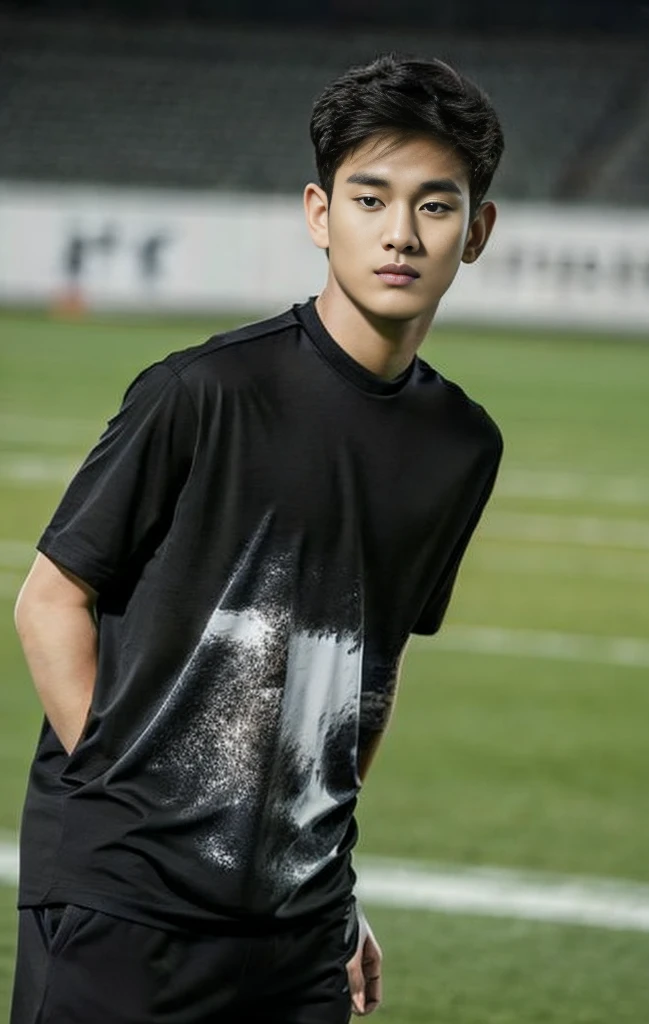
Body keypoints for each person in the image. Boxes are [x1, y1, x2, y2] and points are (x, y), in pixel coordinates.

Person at [10, 52, 504, 1024]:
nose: (398, 233)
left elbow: (372, 664)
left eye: (433, 206)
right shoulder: (201, 393)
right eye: (370, 199)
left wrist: (321, 871)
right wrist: (138, 815)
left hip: (295, 930)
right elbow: (50, 598)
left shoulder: (462, 446)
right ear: (319, 214)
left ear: (475, 230)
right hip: (126, 912)